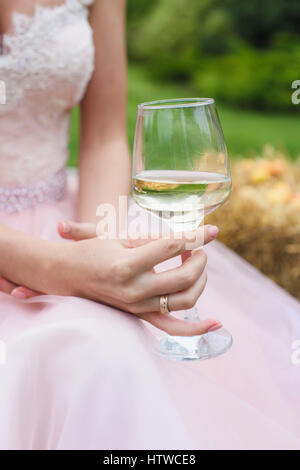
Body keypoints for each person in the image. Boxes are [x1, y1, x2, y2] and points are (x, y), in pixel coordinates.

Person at [0, 0, 299, 450]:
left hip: (75, 220)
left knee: (119, 344)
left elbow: (103, 135)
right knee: (90, 352)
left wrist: (107, 249)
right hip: (23, 253)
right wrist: (57, 267)